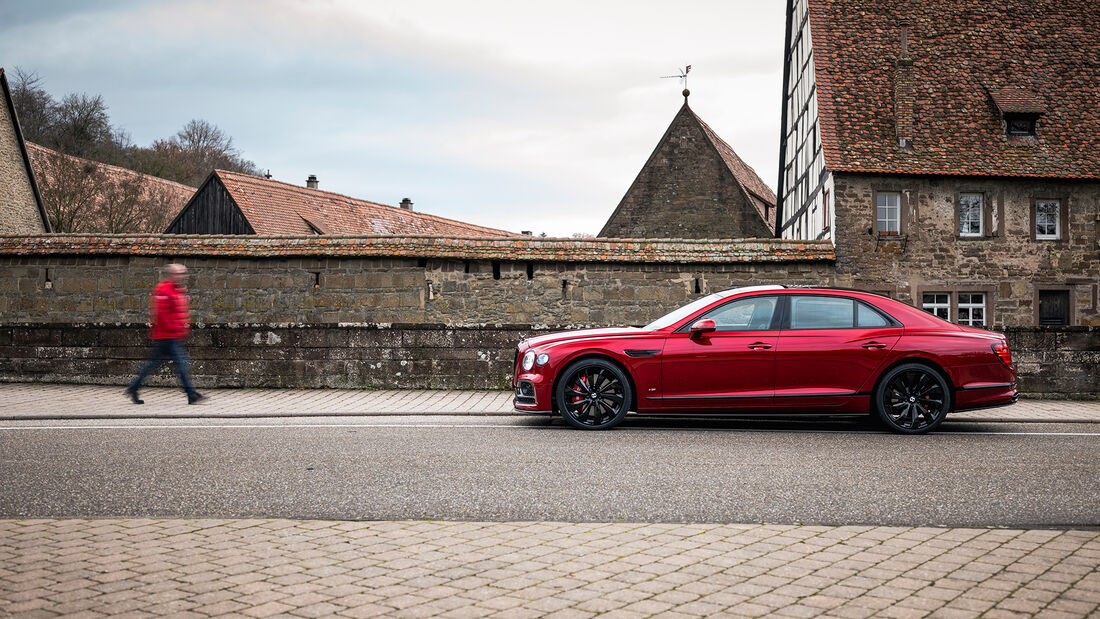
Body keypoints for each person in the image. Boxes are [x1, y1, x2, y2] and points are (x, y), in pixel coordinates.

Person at [125, 263, 205, 405]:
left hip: (172, 335)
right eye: (179, 273)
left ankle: (133, 387)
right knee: (181, 364)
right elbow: (161, 314)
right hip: (167, 335)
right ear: (171, 274)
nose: (182, 276)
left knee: (153, 364)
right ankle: (191, 394)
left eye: (183, 273)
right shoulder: (163, 289)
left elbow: (180, 311)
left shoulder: (177, 289)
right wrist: (176, 328)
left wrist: (183, 326)